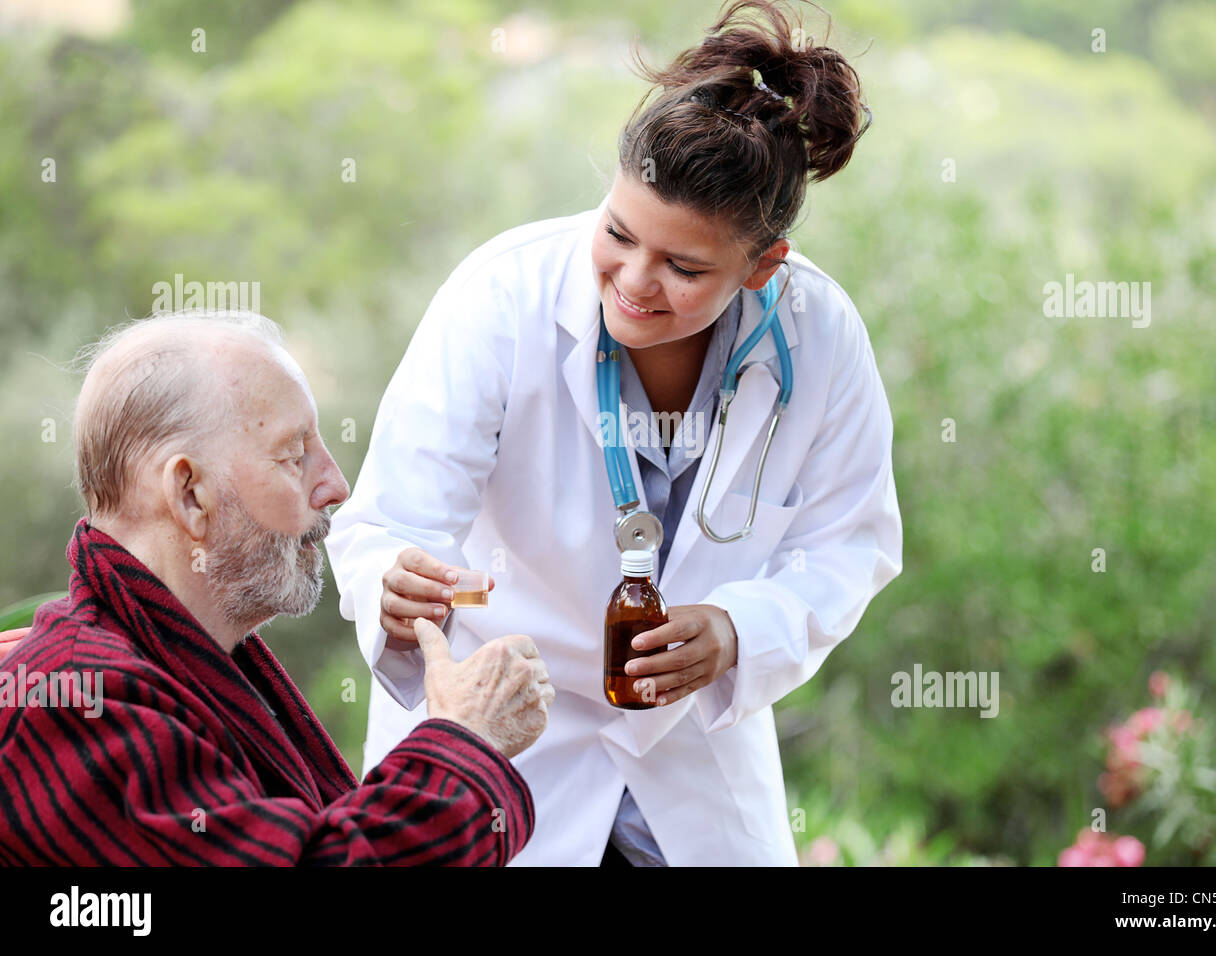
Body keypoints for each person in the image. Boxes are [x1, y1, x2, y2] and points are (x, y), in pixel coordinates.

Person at [326, 0, 902, 866]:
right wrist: (389, 584)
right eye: (618, 234)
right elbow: (389, 526)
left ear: (762, 265)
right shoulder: (500, 301)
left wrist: (738, 632)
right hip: (507, 749)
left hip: (692, 767)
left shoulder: (818, 332)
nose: (634, 281)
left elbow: (850, 544)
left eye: (685, 266)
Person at [0, 311, 553, 866]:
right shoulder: (75, 701)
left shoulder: (181, 664)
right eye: (294, 455)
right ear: (190, 493)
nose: (335, 486)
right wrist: (466, 742)